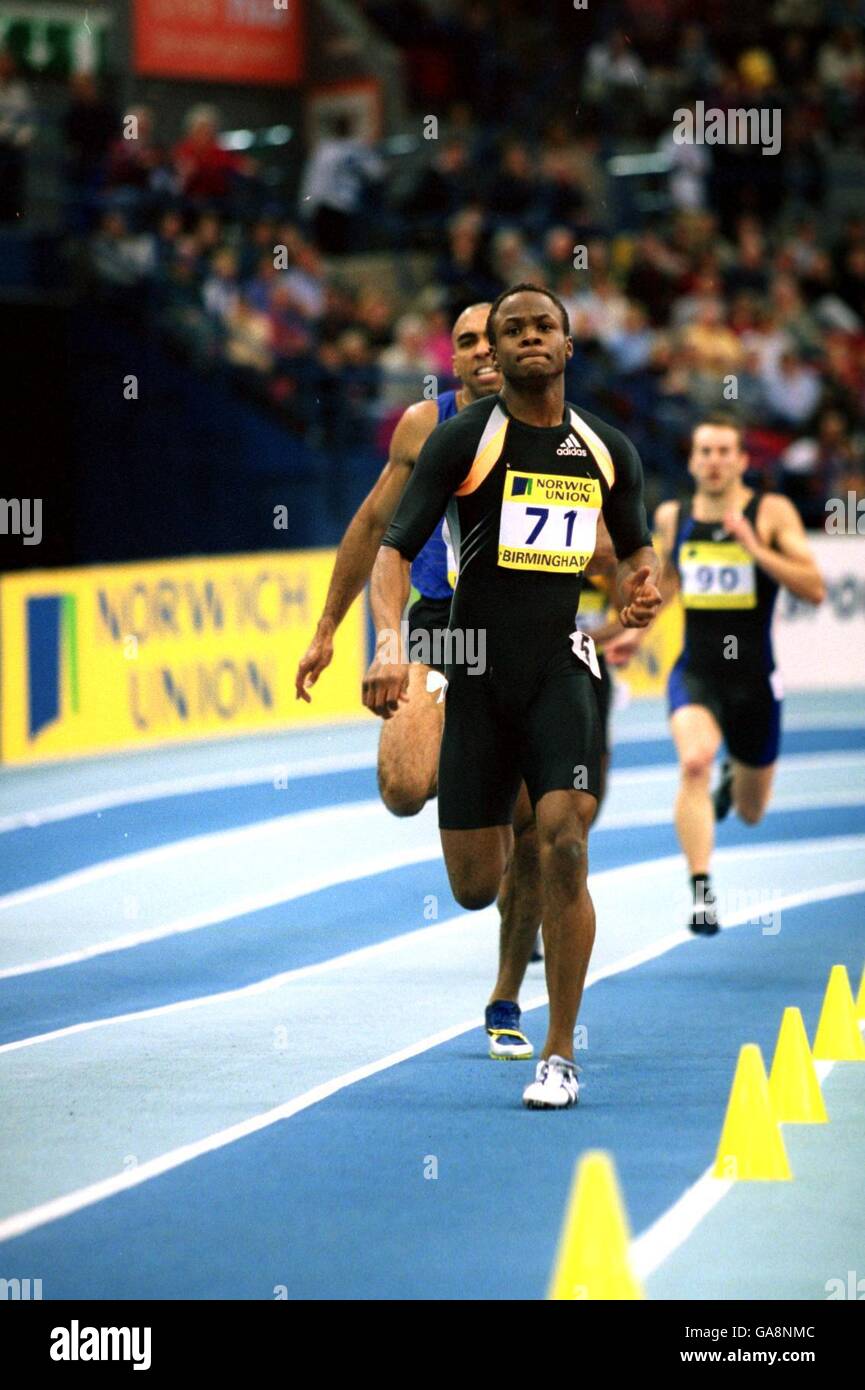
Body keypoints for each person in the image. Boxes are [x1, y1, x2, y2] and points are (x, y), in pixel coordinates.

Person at [363, 284, 661, 1108]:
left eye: (544, 327)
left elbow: (638, 551)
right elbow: (391, 550)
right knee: (471, 883)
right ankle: (503, 903)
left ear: (567, 347)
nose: (528, 339)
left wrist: (642, 592)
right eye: (511, 329)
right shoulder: (462, 441)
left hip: (561, 667)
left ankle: (558, 1053)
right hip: (474, 679)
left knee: (564, 843)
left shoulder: (607, 451)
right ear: (491, 348)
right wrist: (390, 643)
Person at [296, 303, 541, 1061]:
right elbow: (374, 527)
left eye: (487, 338)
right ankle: (476, 770)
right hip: (442, 625)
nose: (479, 352)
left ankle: (505, 996)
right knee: (404, 788)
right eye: (463, 341)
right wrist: (337, 631)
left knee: (537, 833)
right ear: (457, 357)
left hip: (526, 635)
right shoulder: (421, 427)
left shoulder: (552, 427)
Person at [620, 413, 825, 934]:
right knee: (693, 763)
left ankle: (737, 776)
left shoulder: (770, 510)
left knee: (752, 812)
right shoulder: (673, 514)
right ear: (692, 461)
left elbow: (814, 588)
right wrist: (636, 632)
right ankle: (702, 890)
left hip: (755, 680)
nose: (713, 461)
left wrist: (755, 548)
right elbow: (667, 584)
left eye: (723, 452)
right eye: (704, 452)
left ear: (741, 460)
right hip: (699, 672)